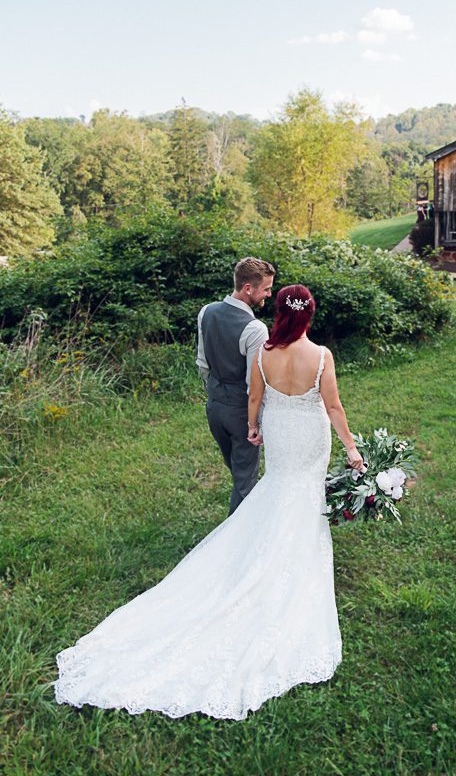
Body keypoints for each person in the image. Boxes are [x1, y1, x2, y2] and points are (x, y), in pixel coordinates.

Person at [51, 284, 365, 720]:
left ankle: (267, 548)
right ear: (309, 315)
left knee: (277, 487)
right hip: (310, 438)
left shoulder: (264, 352)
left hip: (280, 434)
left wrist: (255, 428)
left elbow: (255, 398)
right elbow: (333, 406)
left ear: (279, 313)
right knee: (303, 495)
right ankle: (291, 558)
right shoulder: (322, 356)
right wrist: (351, 449)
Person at [196, 257, 274, 515]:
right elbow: (255, 386)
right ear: (248, 288)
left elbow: (202, 363)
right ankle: (236, 542)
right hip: (240, 412)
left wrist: (215, 396)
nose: (269, 294)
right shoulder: (255, 329)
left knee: (238, 470)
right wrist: (255, 424)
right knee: (245, 485)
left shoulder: (206, 311)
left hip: (214, 407)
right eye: (266, 289)